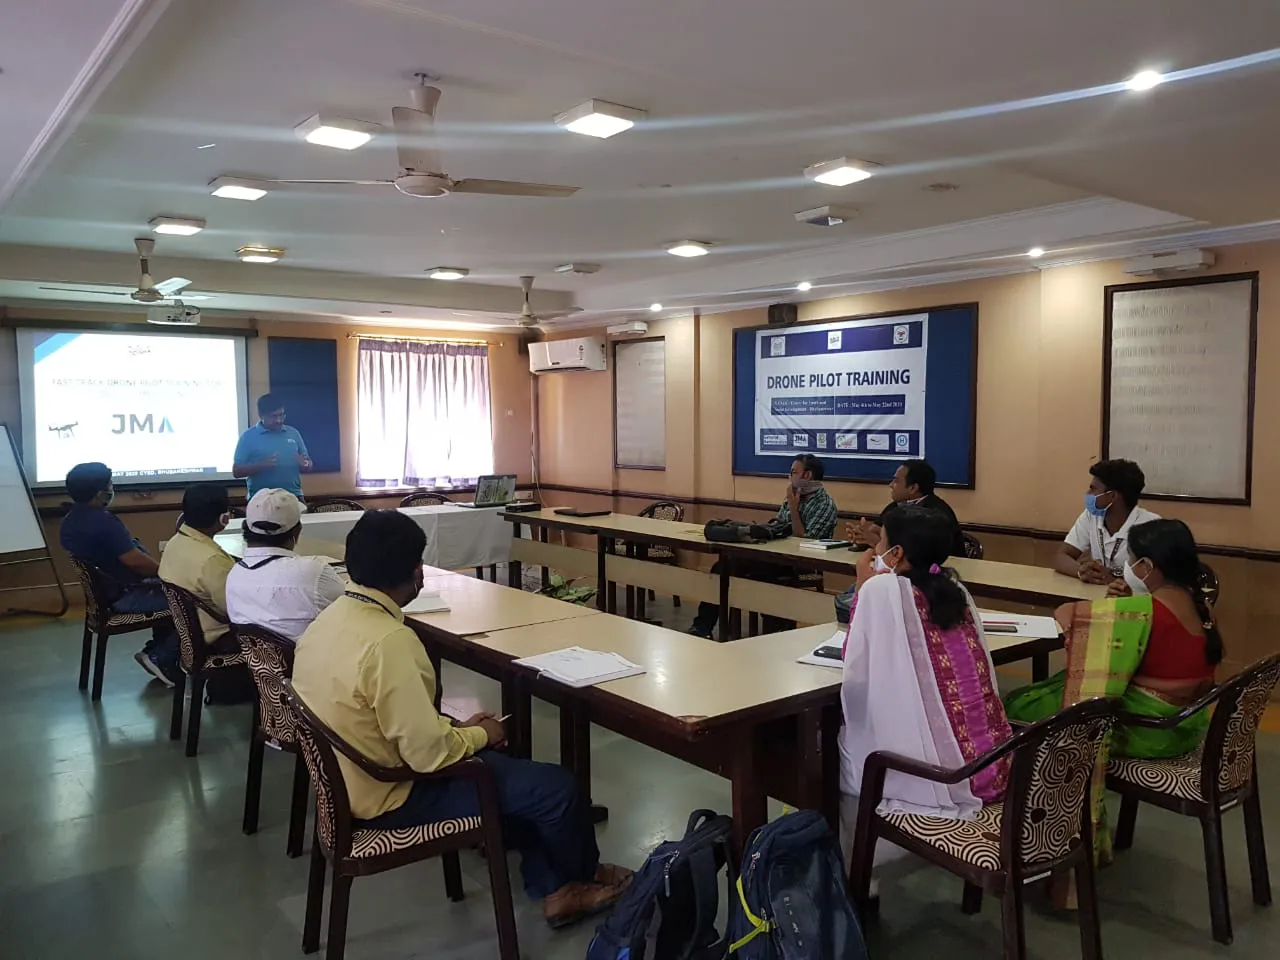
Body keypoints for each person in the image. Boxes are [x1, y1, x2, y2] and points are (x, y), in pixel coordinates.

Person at [291, 510, 633, 928]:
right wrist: (480, 734)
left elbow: (384, 719)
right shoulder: (390, 642)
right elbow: (428, 756)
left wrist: (458, 730)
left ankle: (555, 884)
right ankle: (575, 884)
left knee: (520, 778)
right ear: (416, 571)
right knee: (557, 789)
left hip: (351, 783)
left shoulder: (326, 622)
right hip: (394, 796)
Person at [1006, 519, 1221, 867]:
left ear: (1147, 568)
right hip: (1184, 726)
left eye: (1132, 562)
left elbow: (1067, 615)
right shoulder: (1199, 606)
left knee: (1021, 706)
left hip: (1146, 730)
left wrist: (1119, 607)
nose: (1129, 570)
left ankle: (1041, 837)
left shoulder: (1141, 612)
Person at [838, 506, 1012, 876]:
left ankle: (862, 875)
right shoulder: (955, 587)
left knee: (838, 750)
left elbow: (854, 663)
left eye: (882, 542)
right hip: (992, 762)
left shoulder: (882, 590)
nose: (877, 550)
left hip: (945, 776)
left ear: (896, 553)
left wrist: (860, 584)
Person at [688, 454, 838, 638]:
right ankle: (702, 628)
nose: (790, 476)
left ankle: (776, 634)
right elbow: (780, 528)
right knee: (723, 566)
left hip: (801, 563)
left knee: (761, 576)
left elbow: (803, 540)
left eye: (793, 472)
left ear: (807, 476)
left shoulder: (825, 504)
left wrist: (792, 506)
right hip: (775, 555)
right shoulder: (794, 496)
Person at [59, 462, 181, 685]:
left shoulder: (70, 521)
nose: (112, 488)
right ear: (99, 493)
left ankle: (158, 651)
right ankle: (160, 657)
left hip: (105, 596)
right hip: (126, 595)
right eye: (109, 484)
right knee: (189, 598)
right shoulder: (102, 522)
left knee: (170, 589)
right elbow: (134, 561)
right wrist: (169, 572)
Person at [159, 483, 253, 703]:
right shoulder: (210, 560)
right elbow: (238, 610)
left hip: (192, 634)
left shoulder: (177, 542)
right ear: (223, 518)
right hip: (219, 637)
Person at [226, 488, 345, 640]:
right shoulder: (312, 571)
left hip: (259, 661)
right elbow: (353, 605)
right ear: (297, 531)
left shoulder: (234, 575)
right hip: (314, 659)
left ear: (246, 529)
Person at [1053, 458, 1160, 590]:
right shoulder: (1090, 516)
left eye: (1093, 489)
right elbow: (1060, 557)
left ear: (1112, 496)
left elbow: (1157, 578)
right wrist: (1082, 571)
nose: (1088, 494)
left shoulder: (1151, 525)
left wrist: (1116, 576)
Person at [847, 459, 965, 557]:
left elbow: (916, 557)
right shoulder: (896, 506)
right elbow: (874, 531)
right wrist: (862, 536)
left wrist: (876, 542)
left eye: (896, 481)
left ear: (913, 487)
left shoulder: (936, 514)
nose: (891, 485)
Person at [233, 393, 312, 500]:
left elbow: (308, 463)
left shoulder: (293, 433)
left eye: (282, 415)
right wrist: (261, 465)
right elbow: (236, 471)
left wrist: (305, 464)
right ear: (261, 415)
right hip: (261, 499)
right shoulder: (248, 437)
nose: (279, 420)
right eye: (273, 416)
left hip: (293, 496)